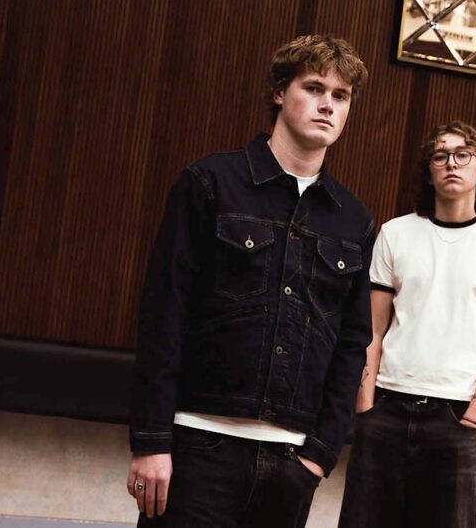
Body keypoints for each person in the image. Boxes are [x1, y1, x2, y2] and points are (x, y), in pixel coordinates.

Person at [126, 35, 374, 527]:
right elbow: (163, 315)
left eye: (341, 96)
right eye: (314, 88)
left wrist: (320, 455)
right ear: (280, 92)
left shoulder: (353, 220)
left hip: (291, 463)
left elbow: (352, 345)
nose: (327, 105)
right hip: (197, 447)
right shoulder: (209, 183)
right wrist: (151, 440)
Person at [338, 121, 476, 528]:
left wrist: (474, 417)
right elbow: (371, 329)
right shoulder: (395, 234)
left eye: (463, 155)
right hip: (387, 407)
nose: (451, 163)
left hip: (457, 416)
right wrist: (366, 408)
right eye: (440, 156)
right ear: (428, 172)